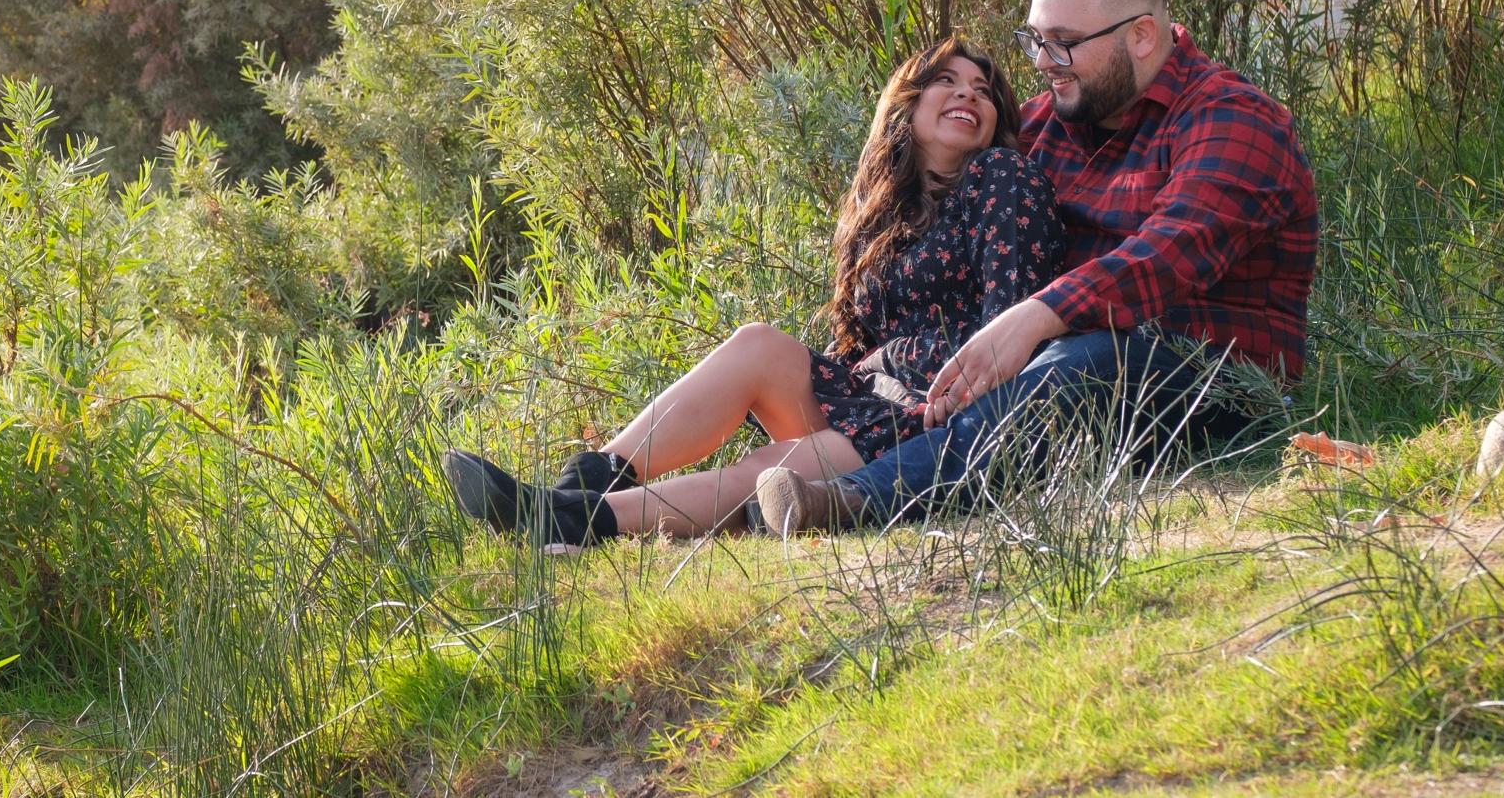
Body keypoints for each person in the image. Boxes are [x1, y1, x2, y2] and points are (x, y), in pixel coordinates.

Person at [759, 0, 1319, 534]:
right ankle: (756, 498)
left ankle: (853, 500)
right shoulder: (1045, 124)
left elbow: (1170, 253)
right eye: (1034, 40)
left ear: (1141, 35)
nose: (1042, 62)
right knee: (1054, 365)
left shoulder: (1233, 118)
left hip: (1211, 375)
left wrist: (1035, 315)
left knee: (1088, 361)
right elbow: (952, 213)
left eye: (1064, 44)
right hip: (1057, 367)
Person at [441, 37, 1066, 548]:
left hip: (939, 411)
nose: (968, 94)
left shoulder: (1002, 176)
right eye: (947, 81)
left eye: (983, 90)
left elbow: (1007, 329)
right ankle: (588, 477)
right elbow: (858, 340)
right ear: (907, 103)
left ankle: (573, 520)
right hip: (874, 395)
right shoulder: (883, 213)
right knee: (758, 344)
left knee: (774, 466)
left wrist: (929, 391)